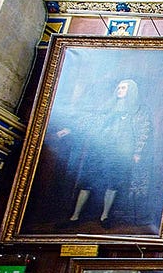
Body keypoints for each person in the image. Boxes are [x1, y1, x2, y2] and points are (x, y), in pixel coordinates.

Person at [64, 78, 153, 227]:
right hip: (99, 149)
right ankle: (75, 217)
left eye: (123, 88)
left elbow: (144, 131)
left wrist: (137, 152)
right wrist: (71, 129)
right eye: (119, 87)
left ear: (131, 90)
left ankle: (104, 216)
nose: (119, 90)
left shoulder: (139, 110)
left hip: (119, 152)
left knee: (112, 184)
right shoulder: (108, 106)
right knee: (86, 182)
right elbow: (90, 120)